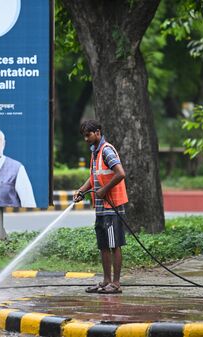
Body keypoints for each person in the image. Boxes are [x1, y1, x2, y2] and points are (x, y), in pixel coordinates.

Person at [73, 120, 128, 294]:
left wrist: (104, 190)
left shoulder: (106, 150)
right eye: (84, 136)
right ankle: (106, 281)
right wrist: (82, 191)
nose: (85, 139)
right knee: (103, 245)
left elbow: (120, 173)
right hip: (101, 208)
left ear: (97, 132)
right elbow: (94, 177)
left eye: (88, 135)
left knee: (114, 244)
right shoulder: (95, 153)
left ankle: (116, 283)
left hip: (112, 207)